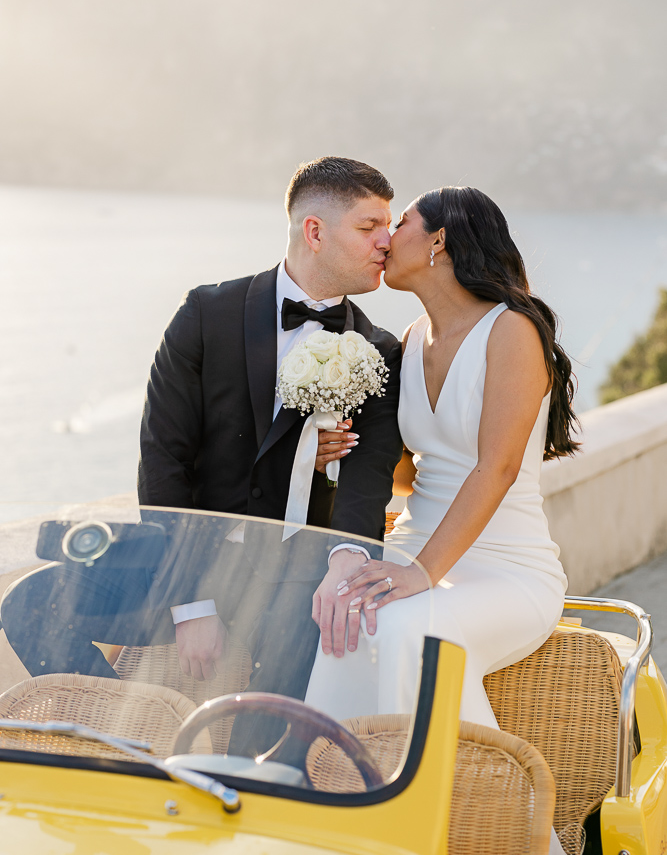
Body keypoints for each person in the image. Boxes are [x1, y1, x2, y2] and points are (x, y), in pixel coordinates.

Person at [0, 157, 404, 745]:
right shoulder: (205, 314)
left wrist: (345, 559)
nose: (386, 243)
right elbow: (163, 457)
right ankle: (128, 742)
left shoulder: (378, 349)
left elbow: (367, 481)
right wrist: (191, 603)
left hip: (294, 577)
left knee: (262, 737)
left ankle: (237, 790)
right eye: (370, 228)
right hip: (189, 557)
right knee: (33, 603)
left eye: (388, 227)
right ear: (314, 232)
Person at [305, 184, 579, 734]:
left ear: (439, 240)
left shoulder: (512, 329)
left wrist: (423, 573)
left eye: (400, 223)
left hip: (506, 564)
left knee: (413, 631)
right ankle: (331, 776)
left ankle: (488, 807)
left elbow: (496, 468)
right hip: (413, 545)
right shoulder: (410, 339)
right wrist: (335, 446)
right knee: (346, 611)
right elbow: (411, 475)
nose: (385, 239)